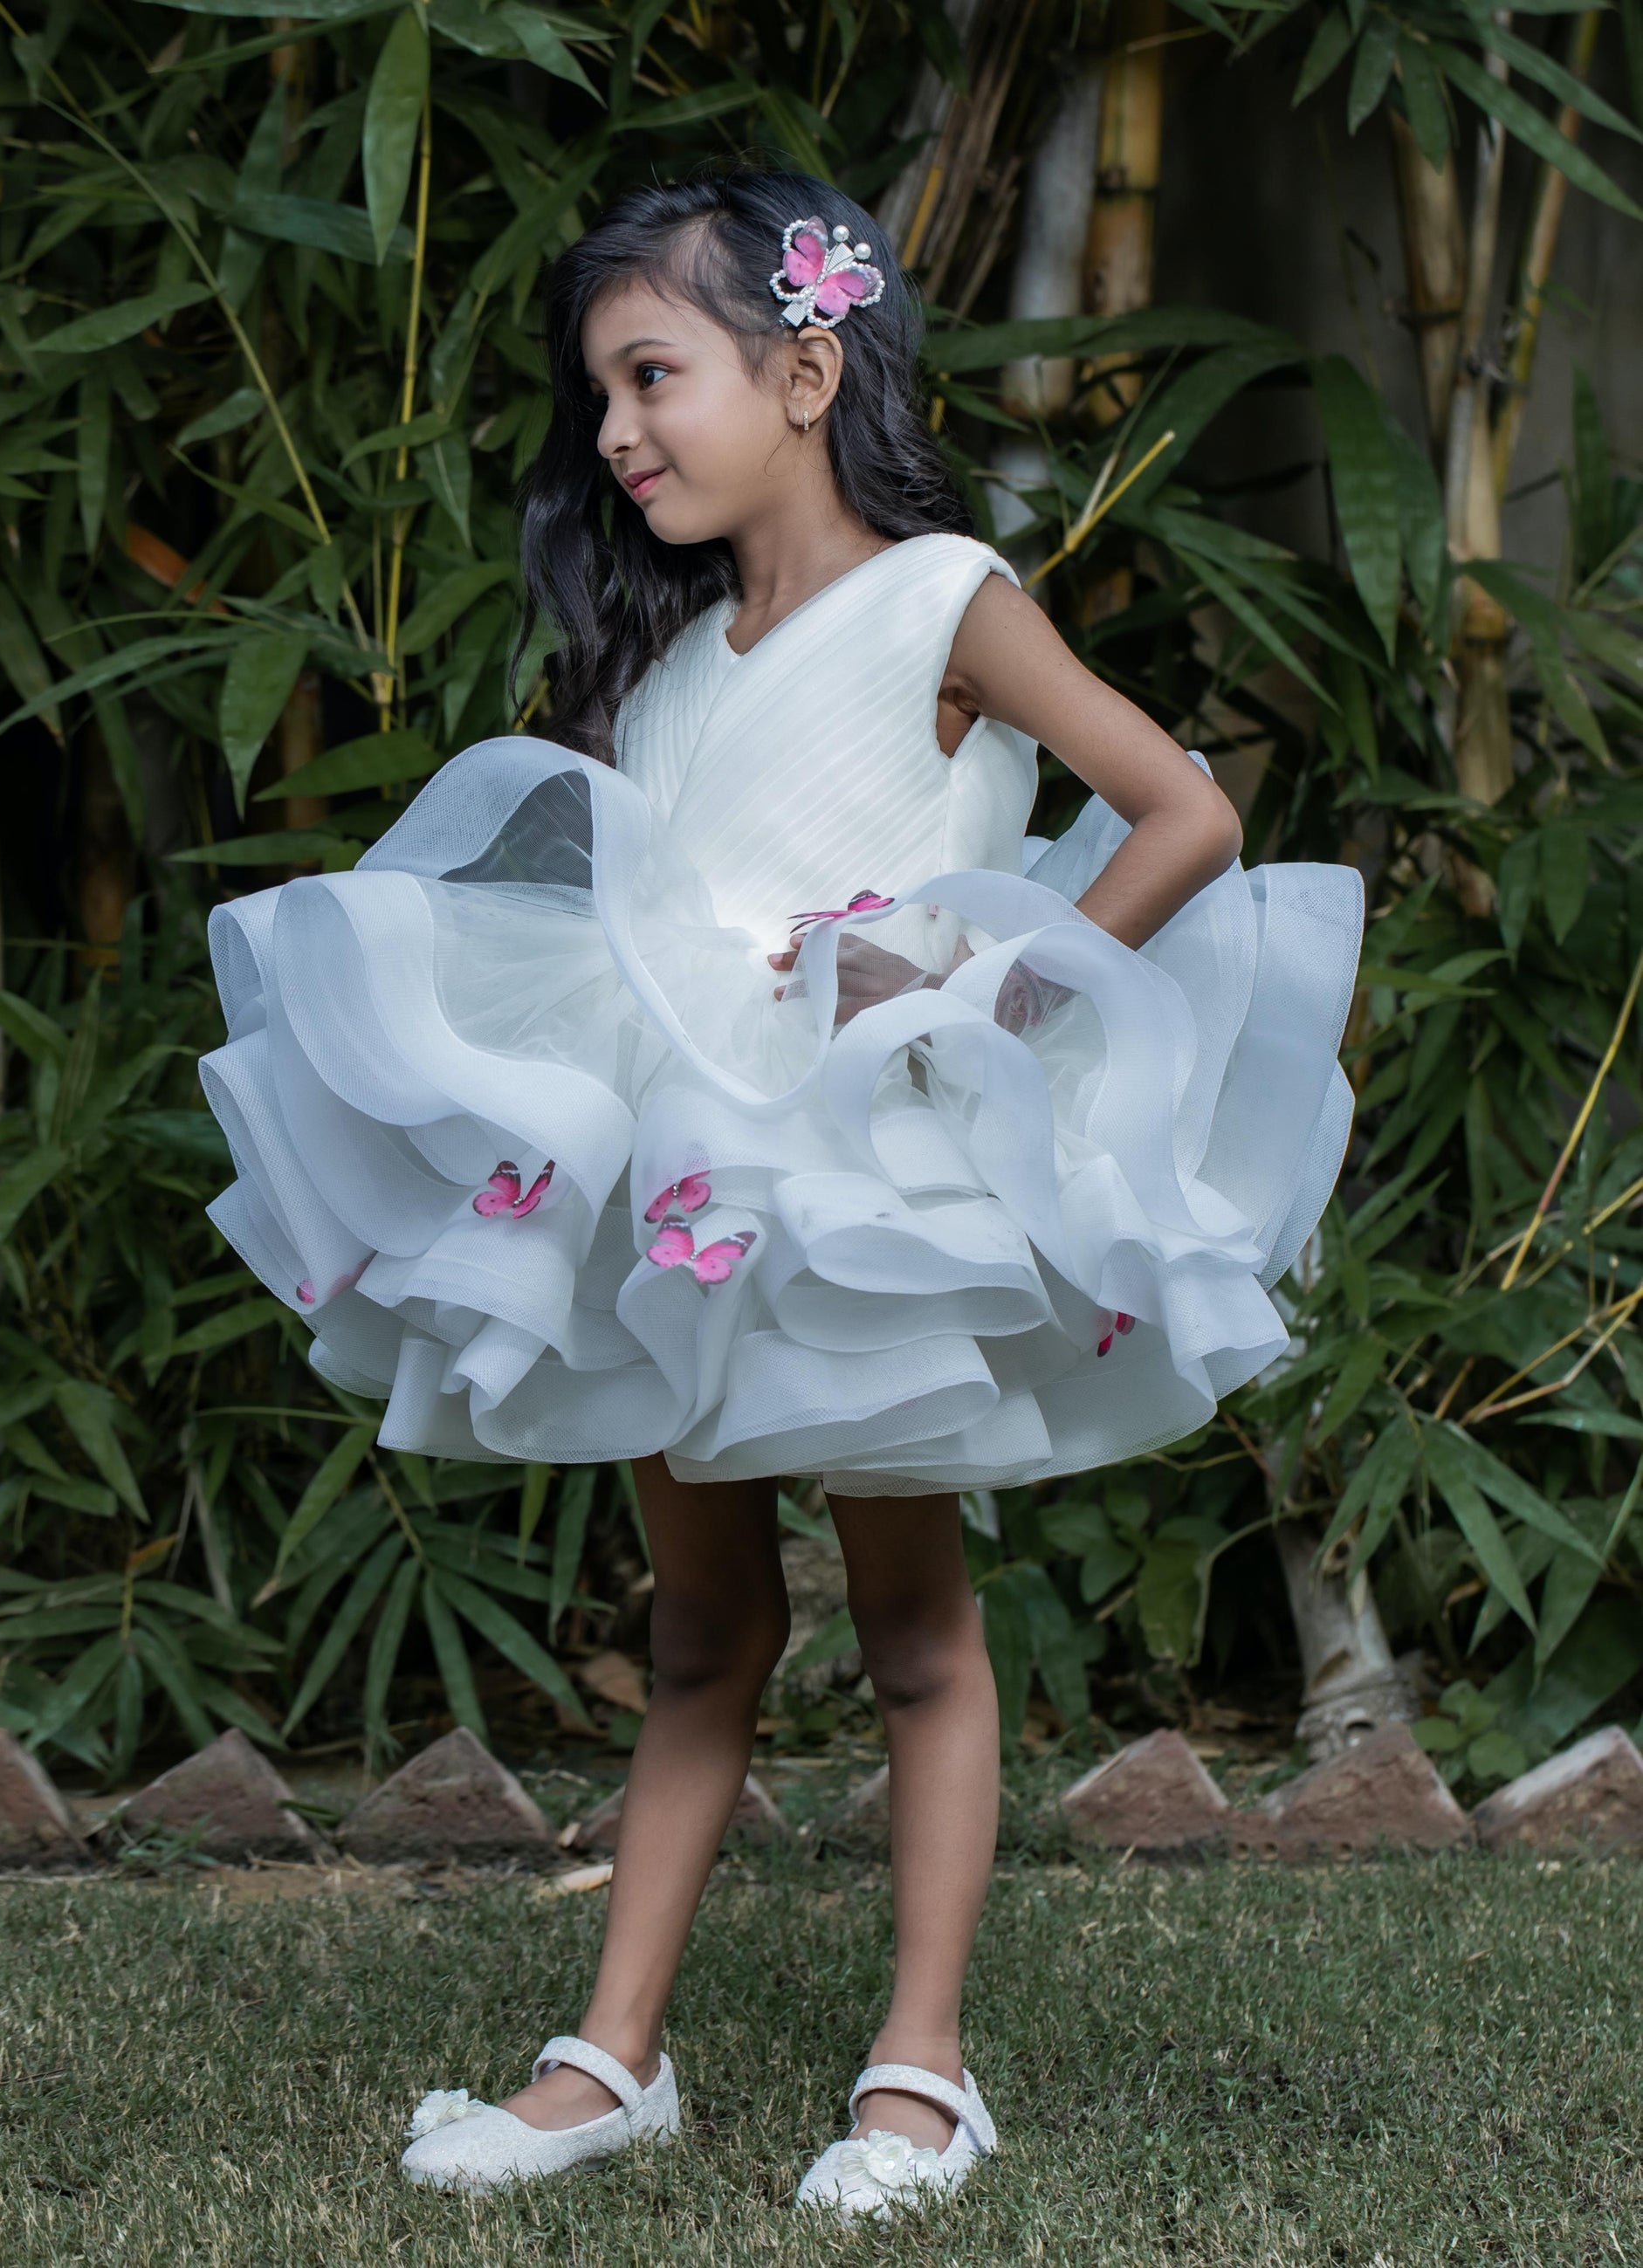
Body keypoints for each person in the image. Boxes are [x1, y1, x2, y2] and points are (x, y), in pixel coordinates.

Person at [199, 168, 1362, 2221]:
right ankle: (607, 2060)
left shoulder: (940, 600)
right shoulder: (661, 663)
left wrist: (984, 971)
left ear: (805, 368)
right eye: (602, 400)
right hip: (683, 1174)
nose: (618, 434)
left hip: (862, 1162)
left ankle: (920, 2073)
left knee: (910, 1619)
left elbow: (1184, 805)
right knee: (704, 1624)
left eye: (653, 378)